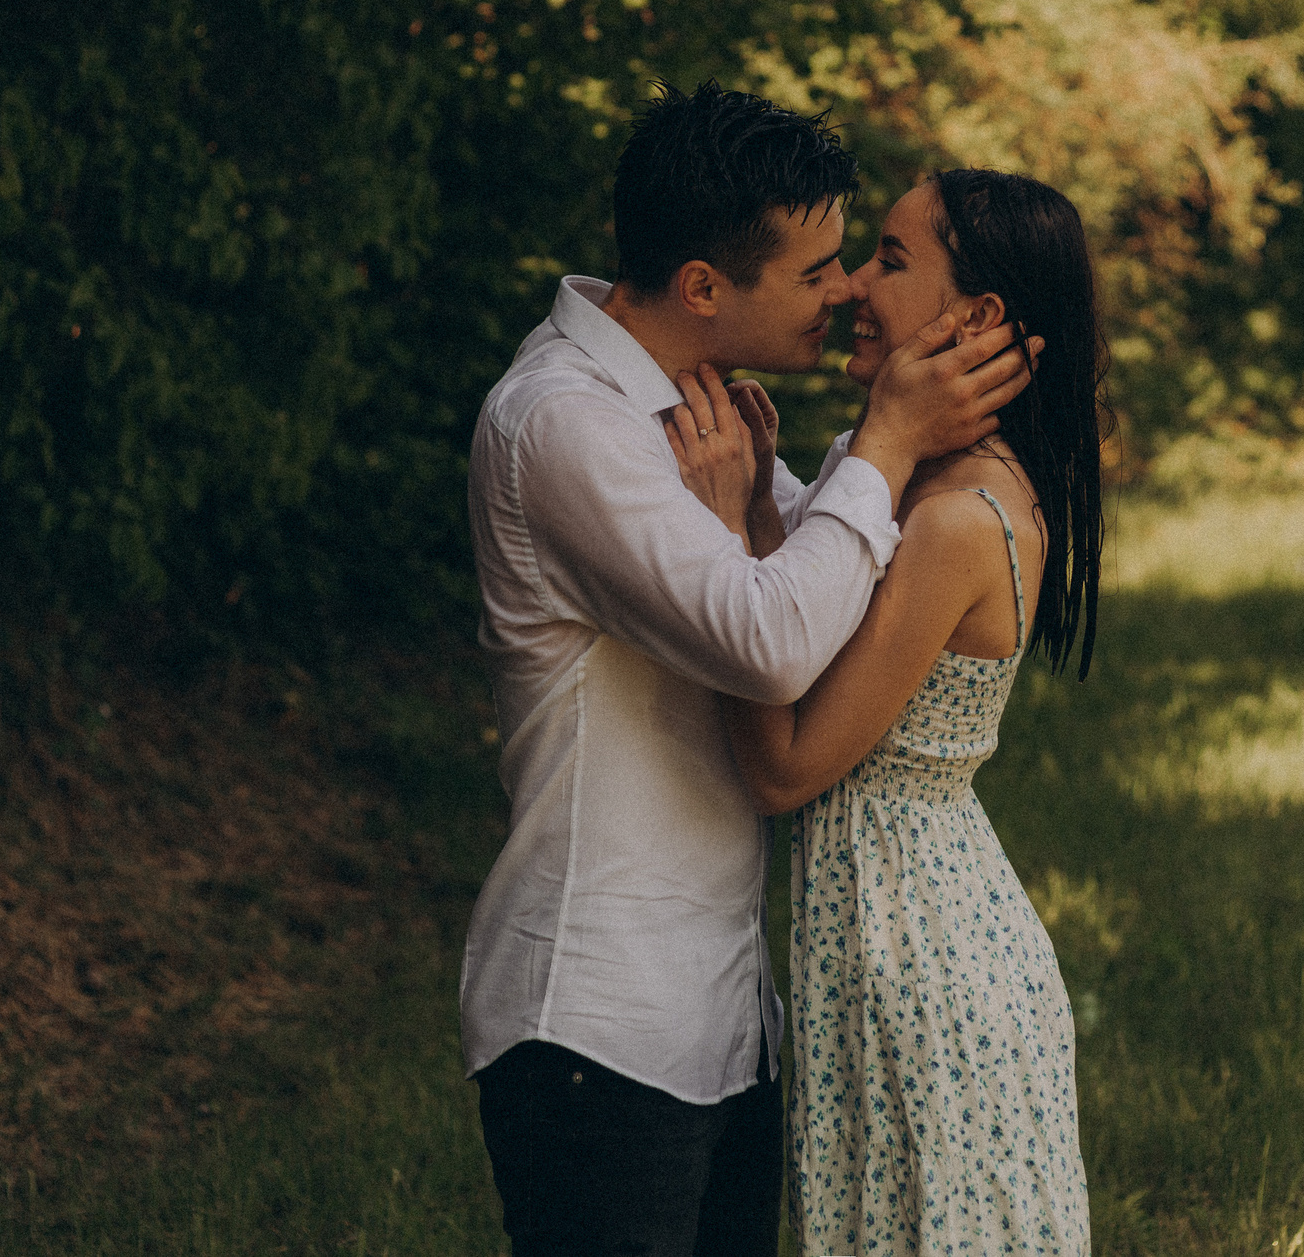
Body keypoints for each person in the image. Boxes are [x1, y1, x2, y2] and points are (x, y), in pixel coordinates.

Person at [462, 85, 1044, 1257]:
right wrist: (882, 443)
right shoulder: (566, 424)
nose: (844, 292)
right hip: (599, 1022)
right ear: (703, 287)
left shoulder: (699, 404)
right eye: (821, 269)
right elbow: (772, 638)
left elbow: (829, 591)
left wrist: (853, 485)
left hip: (726, 1017)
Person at [670, 168, 1105, 1255]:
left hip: (926, 970)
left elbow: (782, 765)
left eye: (891, 260)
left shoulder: (959, 517)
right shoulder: (907, 480)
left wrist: (724, 537)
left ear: (980, 318)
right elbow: (807, 652)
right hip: (882, 945)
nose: (855, 282)